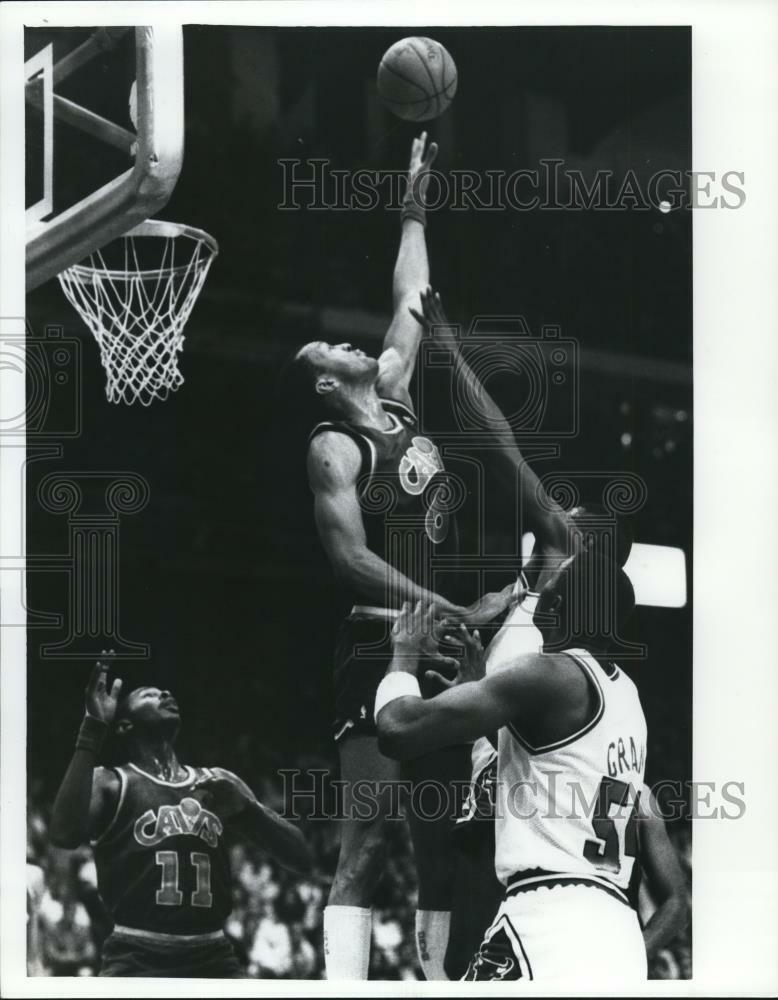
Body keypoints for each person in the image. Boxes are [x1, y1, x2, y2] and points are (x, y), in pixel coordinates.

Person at [283, 135, 513, 979]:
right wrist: (452, 611)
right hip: (378, 639)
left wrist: (414, 199)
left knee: (443, 844)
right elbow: (350, 561)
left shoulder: (393, 390)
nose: (350, 345)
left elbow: (413, 294)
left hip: (442, 643)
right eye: (330, 353)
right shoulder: (333, 447)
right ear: (320, 383)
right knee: (368, 840)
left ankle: (444, 984)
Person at [409, 285, 636, 974]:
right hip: (505, 782)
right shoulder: (522, 597)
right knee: (447, 925)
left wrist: (446, 347)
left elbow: (498, 441)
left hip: (524, 814)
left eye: (573, 511)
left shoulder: (566, 554)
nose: (558, 508)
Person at [376, 553, 649, 983]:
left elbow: (397, 730)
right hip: (617, 930)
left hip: (547, 920)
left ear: (555, 607)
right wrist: (478, 687)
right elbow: (548, 765)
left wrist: (403, 656)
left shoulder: (547, 672)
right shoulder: (626, 696)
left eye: (549, 583)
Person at [49, 652, 312, 978]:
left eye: (166, 692)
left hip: (213, 955)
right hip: (137, 957)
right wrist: (92, 728)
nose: (166, 694)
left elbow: (302, 859)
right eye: (150, 693)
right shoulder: (111, 782)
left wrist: (251, 810)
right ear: (125, 724)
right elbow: (62, 833)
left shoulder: (218, 782)